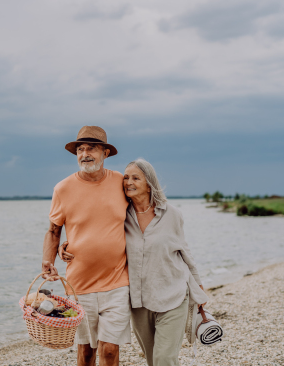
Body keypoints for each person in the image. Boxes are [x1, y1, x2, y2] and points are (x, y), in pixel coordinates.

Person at [60, 158, 209, 366]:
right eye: (126, 177)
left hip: (173, 296)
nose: (128, 182)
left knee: (164, 359)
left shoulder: (171, 214)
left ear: (149, 184)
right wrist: (66, 246)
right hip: (140, 302)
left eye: (135, 178)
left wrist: (199, 287)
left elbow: (185, 253)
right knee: (151, 359)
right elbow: (95, 235)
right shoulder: (121, 215)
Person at [42, 125, 132, 366]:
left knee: (111, 349)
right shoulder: (62, 189)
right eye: (80, 149)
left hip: (118, 282)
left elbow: (140, 217)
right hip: (79, 284)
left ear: (105, 153)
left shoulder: (121, 183)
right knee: (86, 352)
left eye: (91, 148)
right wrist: (49, 261)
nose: (84, 154)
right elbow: (54, 230)